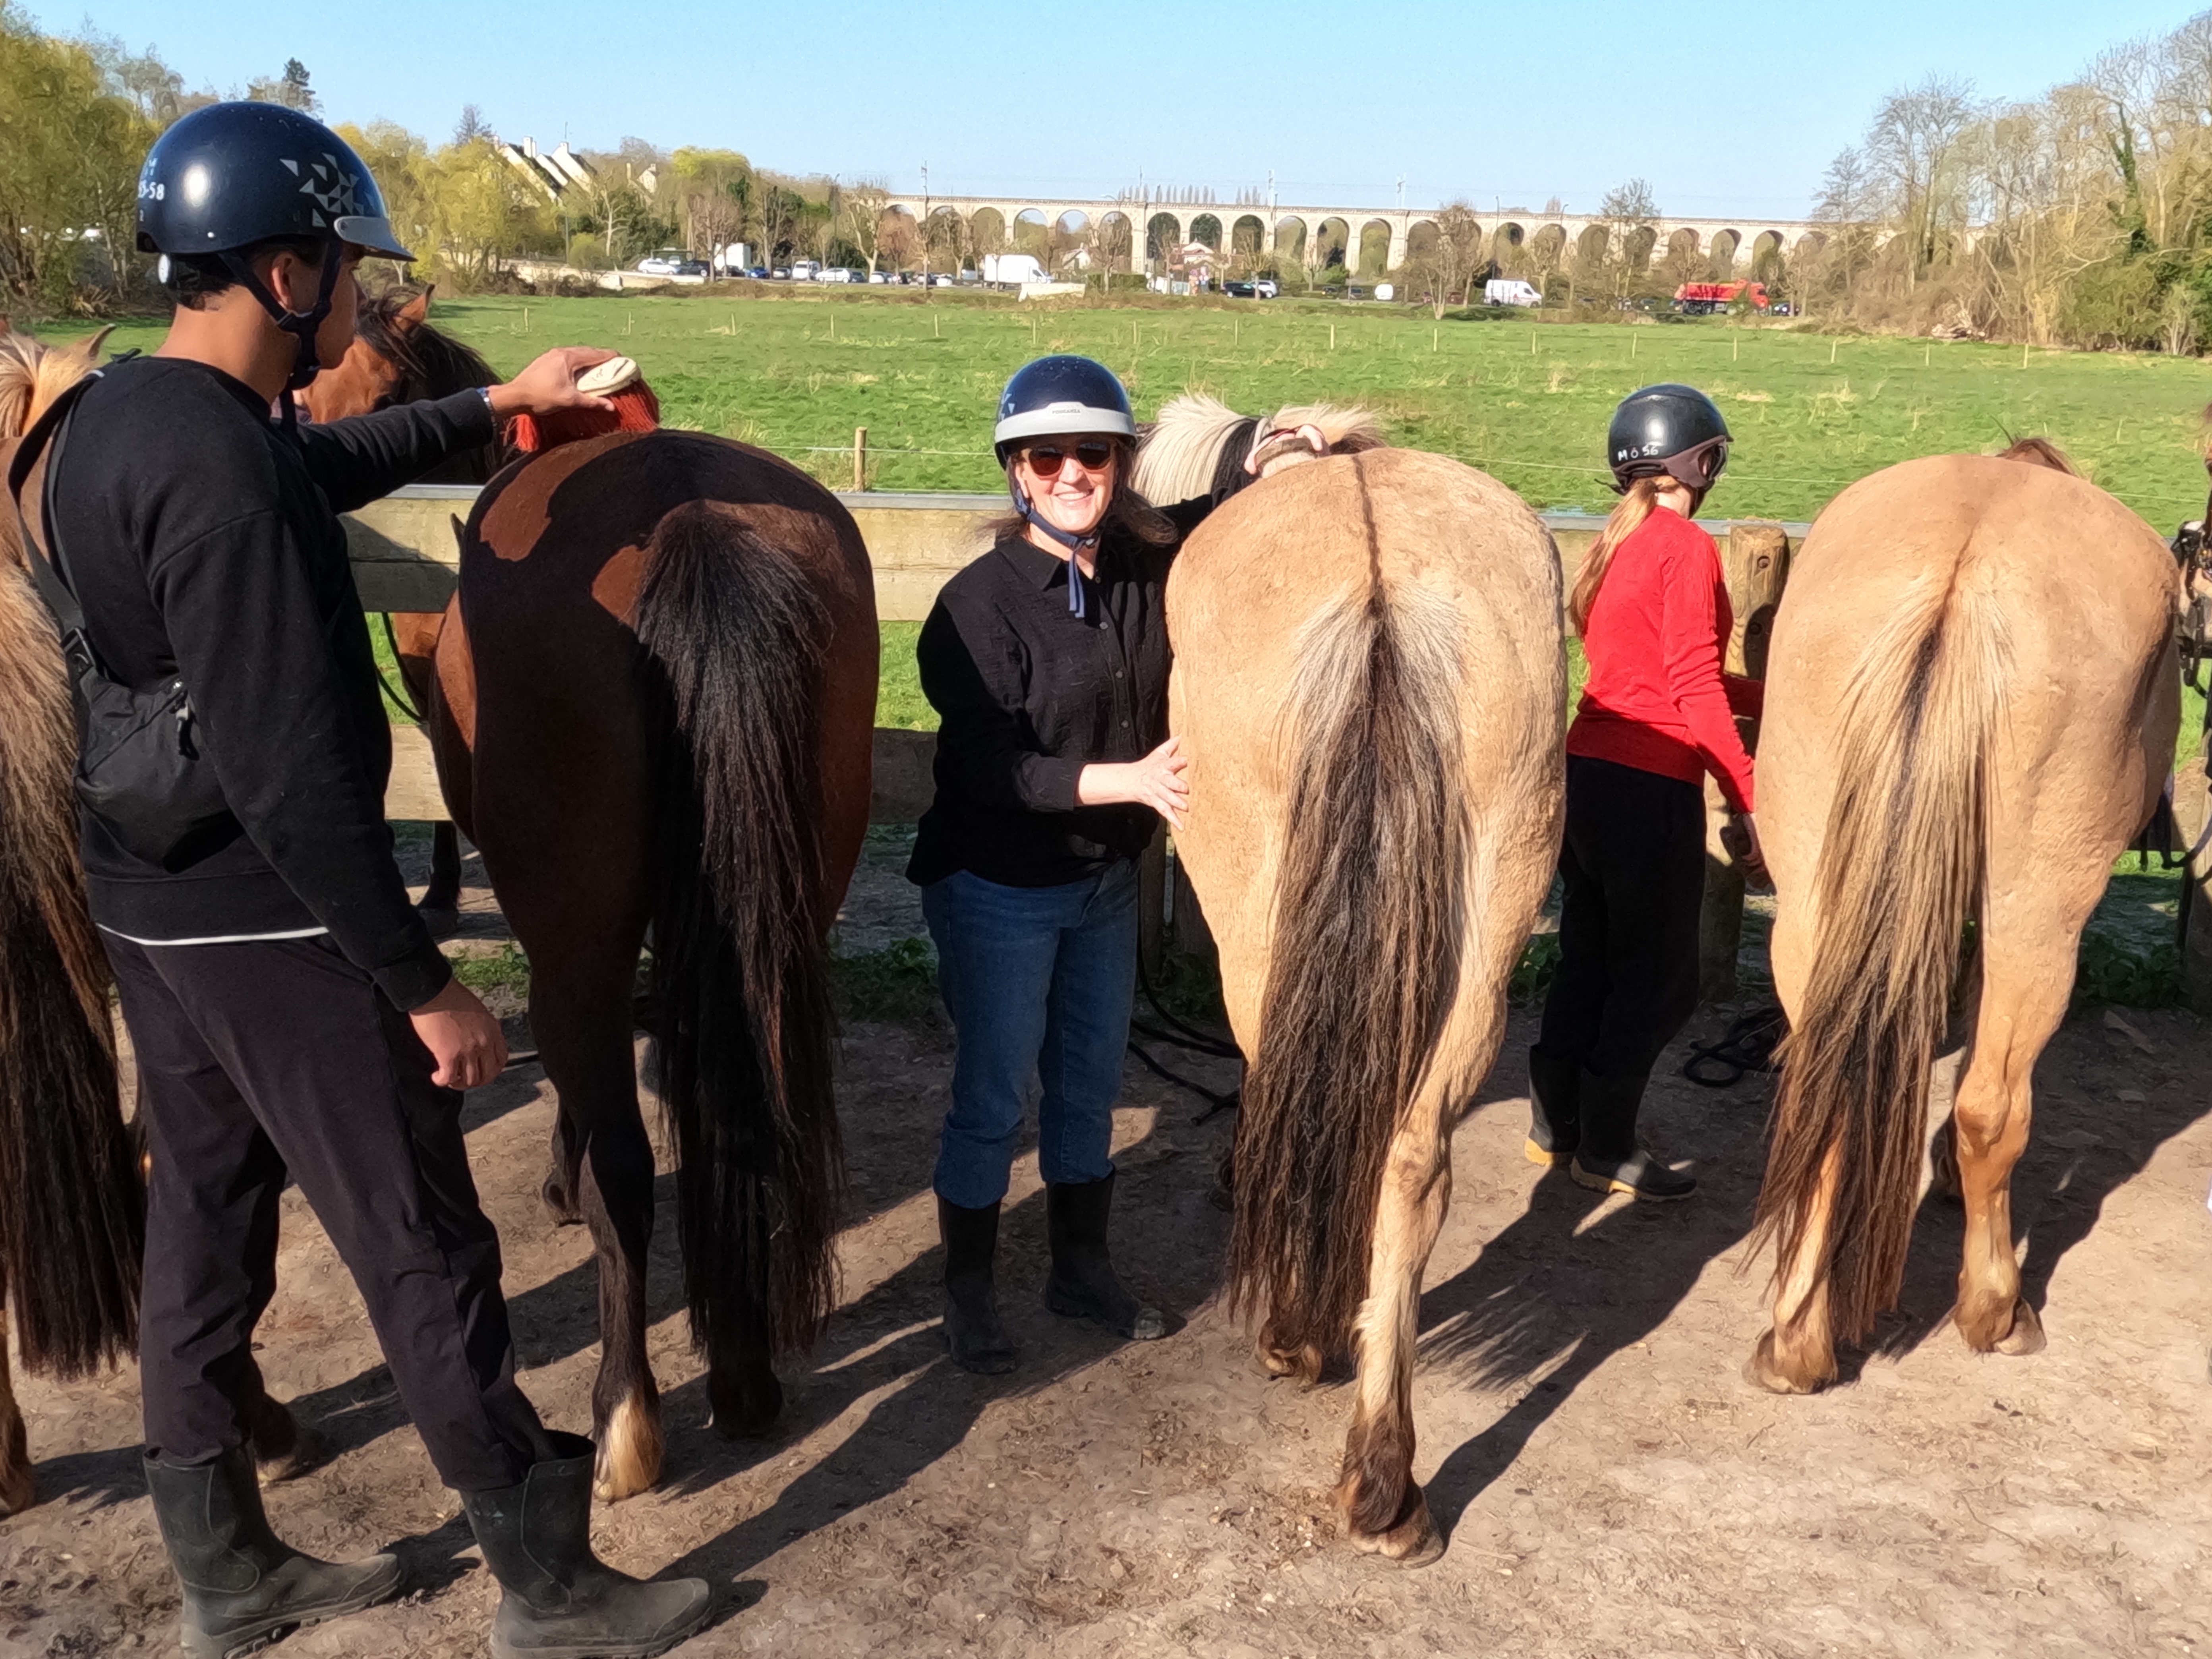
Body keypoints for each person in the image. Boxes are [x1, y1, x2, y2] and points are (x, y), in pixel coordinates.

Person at [19, 102, 710, 1659]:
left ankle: (226, 1565)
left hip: (147, 900)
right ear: (282, 272)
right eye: (337, 262)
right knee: (421, 1241)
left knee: (201, 1219)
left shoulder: (117, 418)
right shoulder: (225, 484)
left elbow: (306, 463)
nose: (348, 287)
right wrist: (421, 983)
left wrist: (491, 412)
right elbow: (292, 773)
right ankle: (552, 1588)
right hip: (279, 921)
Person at [908, 357, 1317, 1375]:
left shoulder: (1142, 562)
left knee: (1089, 1085)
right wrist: (1120, 783)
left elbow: (1193, 515)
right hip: (1000, 885)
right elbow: (981, 769)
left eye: (1093, 454)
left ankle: (1078, 1269)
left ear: (1121, 465)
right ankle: (965, 1287)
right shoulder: (975, 608)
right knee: (995, 1096)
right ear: (1017, 471)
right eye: (1047, 457)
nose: (1071, 473)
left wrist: (1254, 464)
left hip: (1102, 889)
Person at [1527, 383, 1763, 1204]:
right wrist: (1749, 796)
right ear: (1702, 460)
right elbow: (1691, 687)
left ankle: (1555, 1126)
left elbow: (1646, 671)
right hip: (1649, 784)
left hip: (1587, 774)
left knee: (1590, 956)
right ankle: (1611, 1146)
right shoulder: (1688, 547)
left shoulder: (1616, 543)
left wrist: (1769, 696)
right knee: (1662, 979)